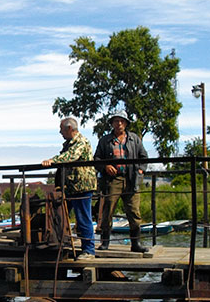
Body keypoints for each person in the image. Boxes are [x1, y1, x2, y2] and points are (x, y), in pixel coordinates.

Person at [41, 117, 96, 260]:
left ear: (69, 128)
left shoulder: (80, 142)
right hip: (71, 186)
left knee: (83, 218)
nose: (60, 132)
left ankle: (89, 251)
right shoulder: (69, 143)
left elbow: (71, 156)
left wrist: (53, 161)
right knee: (61, 216)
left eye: (61, 129)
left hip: (82, 186)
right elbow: (65, 155)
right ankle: (59, 243)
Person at [94, 110, 149, 253]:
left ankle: (135, 243)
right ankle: (105, 242)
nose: (119, 123)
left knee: (134, 211)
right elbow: (96, 160)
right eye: (116, 121)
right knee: (108, 210)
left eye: (122, 121)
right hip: (113, 180)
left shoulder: (134, 139)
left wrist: (140, 172)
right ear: (112, 123)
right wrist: (105, 167)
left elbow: (144, 157)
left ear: (126, 123)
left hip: (131, 179)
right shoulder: (105, 140)